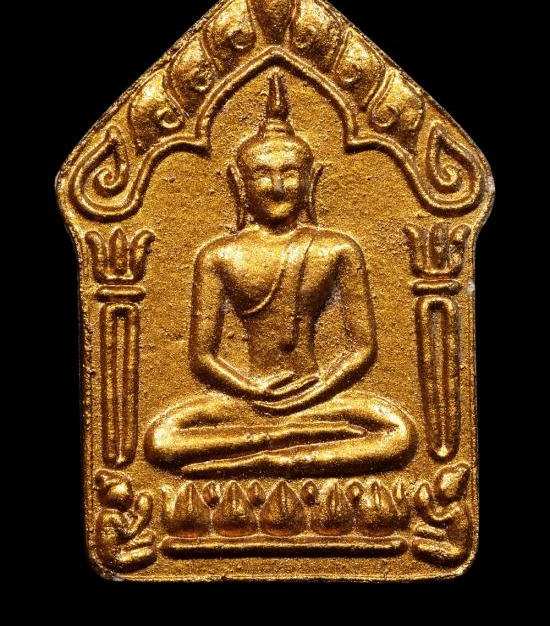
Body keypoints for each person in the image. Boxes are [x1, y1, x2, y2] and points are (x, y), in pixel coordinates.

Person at [145, 72, 416, 477]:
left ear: (311, 180)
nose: (277, 187)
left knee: (399, 433)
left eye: (290, 173)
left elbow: (362, 349)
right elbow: (202, 358)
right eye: (262, 175)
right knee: (161, 438)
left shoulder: (337, 249)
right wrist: (251, 389)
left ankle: (266, 459)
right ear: (240, 184)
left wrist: (316, 392)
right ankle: (286, 442)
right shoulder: (220, 255)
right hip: (247, 400)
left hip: (319, 396)